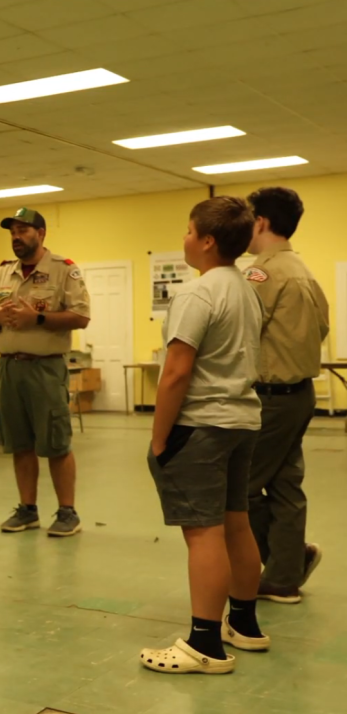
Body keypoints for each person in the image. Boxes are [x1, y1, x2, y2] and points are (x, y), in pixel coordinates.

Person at [139, 196, 268, 675]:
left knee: (204, 533)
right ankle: (246, 625)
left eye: (189, 231)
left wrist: (159, 439)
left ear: (208, 240)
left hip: (202, 426)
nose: (185, 238)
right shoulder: (244, 288)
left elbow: (176, 371)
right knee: (237, 521)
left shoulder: (198, 293)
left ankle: (205, 645)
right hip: (241, 421)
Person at [244, 187, 329, 604]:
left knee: (240, 485)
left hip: (272, 398)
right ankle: (284, 576)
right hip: (300, 393)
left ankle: (285, 565)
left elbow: (239, 331)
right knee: (285, 486)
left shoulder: (262, 273)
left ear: (260, 222)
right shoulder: (304, 270)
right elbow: (323, 329)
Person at [0, 208, 90, 537]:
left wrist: (37, 319)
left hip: (45, 368)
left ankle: (67, 512)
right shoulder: (3, 272)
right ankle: (27, 509)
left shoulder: (63, 271)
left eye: (23, 231)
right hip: (9, 367)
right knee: (20, 442)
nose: (16, 237)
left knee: (56, 443)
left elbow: (81, 317)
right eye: (13, 232)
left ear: (41, 234)